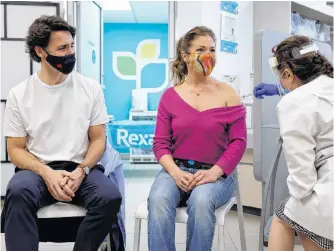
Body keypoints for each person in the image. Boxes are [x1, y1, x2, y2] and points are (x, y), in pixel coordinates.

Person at [1, 15, 124, 251]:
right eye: (62, 48)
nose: (70, 53)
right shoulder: (20, 94)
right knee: (17, 193)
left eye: (71, 46)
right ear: (41, 51)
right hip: (38, 169)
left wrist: (81, 170)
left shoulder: (90, 88)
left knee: (110, 197)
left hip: (81, 168)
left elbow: (98, 139)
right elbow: (15, 150)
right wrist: (46, 173)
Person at [147, 26, 247, 251]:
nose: (208, 55)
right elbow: (160, 143)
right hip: (176, 169)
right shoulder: (170, 96)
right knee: (159, 199)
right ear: (185, 55)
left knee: (201, 202)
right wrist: (174, 171)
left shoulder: (228, 93)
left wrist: (214, 172)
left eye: (212, 50)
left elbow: (238, 142)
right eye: (201, 49)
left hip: (217, 174)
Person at [256, 35, 333, 251]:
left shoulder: (293, 103)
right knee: (295, 217)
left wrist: (298, 197)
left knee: (284, 218)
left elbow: (302, 179)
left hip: (330, 197)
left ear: (288, 73)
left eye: (282, 77)